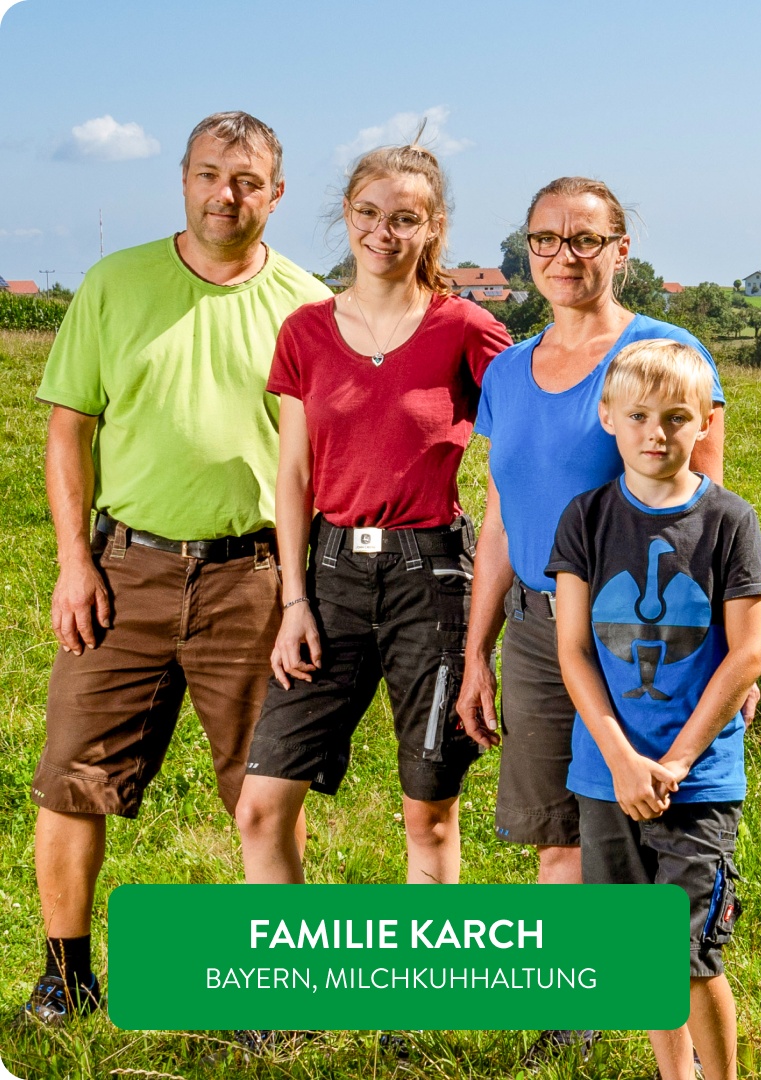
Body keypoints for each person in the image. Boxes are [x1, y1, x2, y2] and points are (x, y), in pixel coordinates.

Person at [23, 111, 330, 1023]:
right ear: (184, 180)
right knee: (72, 778)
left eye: (244, 181)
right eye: (206, 175)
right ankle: (65, 976)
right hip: (126, 573)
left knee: (266, 790)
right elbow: (68, 431)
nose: (223, 195)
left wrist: (302, 592)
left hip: (255, 579)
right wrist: (74, 563)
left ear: (275, 194)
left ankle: (277, 990)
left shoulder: (309, 309)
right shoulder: (115, 285)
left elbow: (316, 464)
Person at [455, 176, 725, 1070]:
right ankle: (576, 1005)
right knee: (555, 828)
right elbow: (500, 515)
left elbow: (709, 512)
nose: (561, 257)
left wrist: (731, 656)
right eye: (544, 240)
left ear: (620, 250)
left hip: (643, 632)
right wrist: (477, 651)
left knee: (648, 814)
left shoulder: (666, 351)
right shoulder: (507, 369)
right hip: (540, 625)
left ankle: (679, 986)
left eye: (583, 240)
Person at [235, 135, 512, 888]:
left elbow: (532, 425)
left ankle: (428, 986)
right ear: (346, 215)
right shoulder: (306, 332)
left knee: (429, 811)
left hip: (433, 575)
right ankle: (286, 996)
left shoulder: (466, 328)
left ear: (433, 228)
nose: (382, 233)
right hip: (327, 578)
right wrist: (293, 601)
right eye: (367, 213)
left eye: (404, 219)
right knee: (261, 805)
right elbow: (291, 475)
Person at [548, 339, 761, 1080]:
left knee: (689, 956)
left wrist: (675, 761)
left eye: (677, 417)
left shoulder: (729, 521)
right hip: (608, 774)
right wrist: (621, 759)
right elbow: (574, 649)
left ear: (704, 422)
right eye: (639, 415)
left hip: (697, 780)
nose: (657, 433)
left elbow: (746, 654)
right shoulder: (585, 518)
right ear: (608, 418)